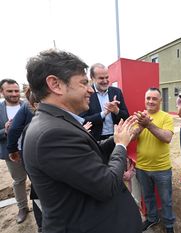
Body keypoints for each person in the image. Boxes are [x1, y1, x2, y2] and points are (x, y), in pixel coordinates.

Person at [23, 49, 142, 233]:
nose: (89, 90)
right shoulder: (52, 134)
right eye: (84, 83)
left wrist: (117, 138)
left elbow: (88, 152)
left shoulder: (57, 122)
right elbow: (107, 185)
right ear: (55, 84)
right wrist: (120, 145)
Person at [133, 87, 176, 233]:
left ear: (160, 100)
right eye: (148, 98)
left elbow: (167, 138)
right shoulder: (139, 117)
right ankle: (152, 219)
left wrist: (149, 124)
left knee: (166, 201)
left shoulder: (166, 117)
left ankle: (169, 225)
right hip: (142, 167)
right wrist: (140, 125)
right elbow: (131, 138)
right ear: (145, 100)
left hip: (162, 168)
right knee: (148, 197)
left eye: (154, 98)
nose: (151, 101)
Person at [6, 88, 42, 232]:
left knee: (37, 187)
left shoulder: (27, 105)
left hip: (30, 152)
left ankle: (42, 225)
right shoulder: (28, 106)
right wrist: (12, 149)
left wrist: (12, 149)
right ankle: (40, 223)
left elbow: (14, 129)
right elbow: (14, 129)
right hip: (30, 152)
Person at [0, 78, 29, 224]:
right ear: (2, 91)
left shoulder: (28, 106)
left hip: (30, 149)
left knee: (38, 178)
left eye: (16, 91)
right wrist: (4, 131)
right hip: (12, 153)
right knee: (19, 180)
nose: (14, 94)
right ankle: (22, 208)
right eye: (10, 91)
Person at [80, 63, 129, 140]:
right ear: (92, 78)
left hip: (116, 138)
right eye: (101, 78)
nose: (105, 81)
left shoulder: (116, 92)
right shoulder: (86, 94)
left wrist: (116, 110)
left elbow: (126, 117)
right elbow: (82, 120)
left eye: (107, 77)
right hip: (95, 139)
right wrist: (104, 113)